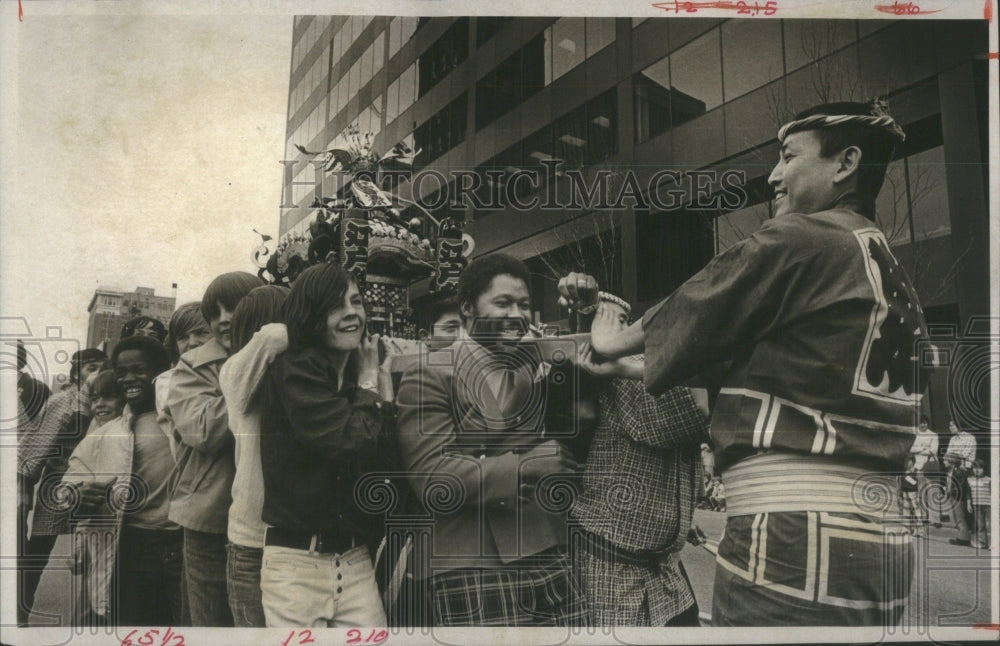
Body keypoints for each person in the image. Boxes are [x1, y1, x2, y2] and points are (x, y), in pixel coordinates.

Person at [582, 100, 926, 626]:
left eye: (788, 157)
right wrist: (630, 370)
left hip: (794, 532)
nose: (774, 175)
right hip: (883, 534)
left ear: (845, 163)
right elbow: (779, 370)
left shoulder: (803, 236)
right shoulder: (883, 261)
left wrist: (612, 340)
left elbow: (698, 302)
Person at [395, 254, 588, 627]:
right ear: (467, 308)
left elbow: (588, 358)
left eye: (525, 305)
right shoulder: (429, 370)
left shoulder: (535, 363)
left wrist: (588, 309)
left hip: (547, 548)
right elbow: (433, 478)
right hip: (468, 559)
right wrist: (527, 465)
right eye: (502, 303)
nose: (516, 314)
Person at [561, 280, 710, 627]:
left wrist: (680, 518)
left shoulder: (644, 371)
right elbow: (696, 412)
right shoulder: (641, 377)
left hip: (663, 569)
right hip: (612, 572)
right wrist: (594, 304)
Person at [258, 262, 389, 627]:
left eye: (357, 301)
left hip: (355, 559)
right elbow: (353, 440)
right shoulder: (294, 369)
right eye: (336, 306)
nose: (352, 313)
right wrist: (369, 384)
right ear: (311, 315)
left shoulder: (353, 369)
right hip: (296, 563)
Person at [165, 271, 263, 626]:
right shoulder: (192, 365)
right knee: (211, 620)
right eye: (215, 312)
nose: (224, 319)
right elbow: (203, 430)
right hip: (210, 515)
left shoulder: (287, 353)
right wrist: (255, 369)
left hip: (269, 515)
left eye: (234, 308)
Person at [18, 347, 106, 624]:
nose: (97, 373)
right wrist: (25, 488)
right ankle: (18, 613)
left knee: (97, 556)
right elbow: (35, 446)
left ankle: (91, 620)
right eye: (90, 367)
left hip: (96, 483)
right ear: (76, 373)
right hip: (56, 483)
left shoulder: (107, 399)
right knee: (37, 552)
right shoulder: (62, 401)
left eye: (102, 367)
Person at [218, 285, 289, 627]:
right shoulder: (236, 373)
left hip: (290, 544)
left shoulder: (301, 377)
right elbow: (275, 335)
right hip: (251, 543)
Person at [943, 420, 978, 547]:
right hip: (953, 472)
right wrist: (952, 457)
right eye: (950, 424)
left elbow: (961, 456)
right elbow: (947, 456)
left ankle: (967, 536)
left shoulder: (970, 438)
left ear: (959, 425)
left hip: (964, 473)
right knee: (954, 504)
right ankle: (962, 535)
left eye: (952, 425)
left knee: (963, 504)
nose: (950, 427)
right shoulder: (953, 440)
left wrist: (952, 457)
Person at [966, 460, 990, 549]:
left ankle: (993, 543)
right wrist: (969, 504)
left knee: (989, 525)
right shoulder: (969, 479)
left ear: (984, 469)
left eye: (980, 468)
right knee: (980, 525)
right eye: (974, 468)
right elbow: (968, 494)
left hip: (988, 505)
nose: (977, 470)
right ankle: (983, 543)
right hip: (976, 505)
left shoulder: (989, 480)